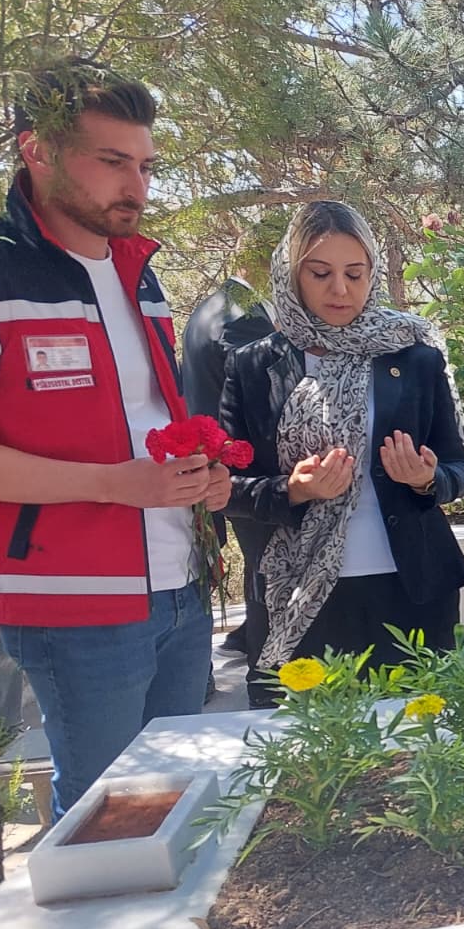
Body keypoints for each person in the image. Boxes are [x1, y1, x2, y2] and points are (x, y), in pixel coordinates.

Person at [0, 62, 227, 819]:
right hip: (72, 605)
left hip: (180, 590)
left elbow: (147, 420)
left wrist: (204, 479)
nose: (138, 186)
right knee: (106, 818)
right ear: (39, 152)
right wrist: (111, 485)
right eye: (113, 162)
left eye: (146, 165)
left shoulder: (138, 271)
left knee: (178, 804)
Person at [221, 201, 464, 704]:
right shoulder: (253, 367)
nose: (341, 290)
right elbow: (224, 486)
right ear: (292, 273)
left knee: (416, 756)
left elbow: (458, 467)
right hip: (298, 593)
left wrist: (426, 479)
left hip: (410, 590)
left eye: (355, 274)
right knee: (310, 760)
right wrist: (295, 489)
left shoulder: (414, 357)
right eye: (321, 273)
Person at [181, 272, 276, 659]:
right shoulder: (244, 316)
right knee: (268, 565)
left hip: (217, 461)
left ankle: (248, 637)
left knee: (258, 563)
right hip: (245, 465)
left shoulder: (211, 307)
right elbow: (262, 394)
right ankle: (266, 667)